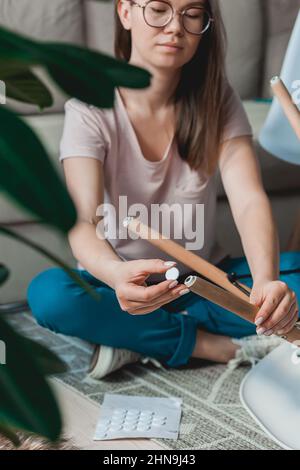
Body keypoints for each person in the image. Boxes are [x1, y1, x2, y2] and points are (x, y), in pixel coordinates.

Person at [27, 0, 299, 379]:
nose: (175, 27)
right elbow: (83, 222)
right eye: (158, 9)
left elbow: (249, 201)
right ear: (125, 12)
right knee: (51, 295)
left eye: (191, 14)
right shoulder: (90, 107)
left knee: (289, 288)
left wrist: (268, 281)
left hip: (205, 283)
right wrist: (117, 276)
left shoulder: (217, 98)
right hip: (117, 285)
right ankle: (209, 346)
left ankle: (137, 340)